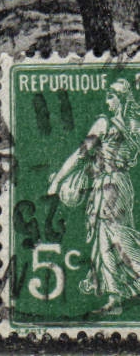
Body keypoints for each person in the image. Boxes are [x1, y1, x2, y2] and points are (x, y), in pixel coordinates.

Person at [47, 78, 140, 314]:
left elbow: (80, 154)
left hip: (108, 186)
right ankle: (115, 297)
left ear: (119, 101)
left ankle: (120, 291)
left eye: (111, 97)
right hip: (122, 185)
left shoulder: (103, 123)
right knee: (108, 238)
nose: (107, 101)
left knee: (114, 236)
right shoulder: (133, 127)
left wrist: (57, 180)